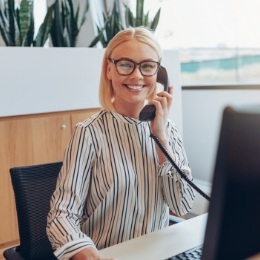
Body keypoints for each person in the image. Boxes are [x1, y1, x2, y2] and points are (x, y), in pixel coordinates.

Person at [47, 27, 196, 260]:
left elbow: (183, 203)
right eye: (126, 64)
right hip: (107, 255)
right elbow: (61, 214)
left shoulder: (167, 130)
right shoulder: (89, 133)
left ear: (159, 73)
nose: (137, 76)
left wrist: (160, 138)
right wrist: (84, 252)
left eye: (147, 66)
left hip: (157, 253)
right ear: (109, 69)